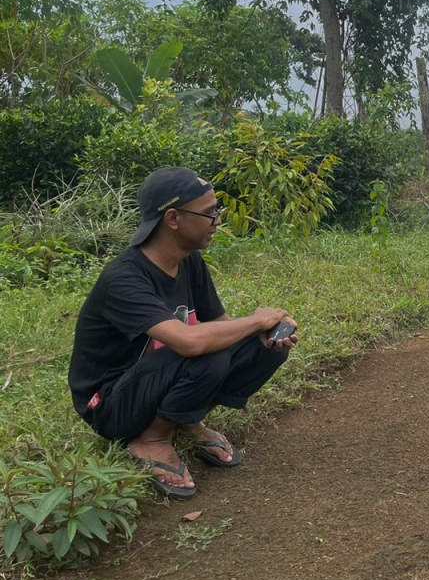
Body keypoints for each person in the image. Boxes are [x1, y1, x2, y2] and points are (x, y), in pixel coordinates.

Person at [68, 167, 299, 499]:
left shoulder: (189, 261)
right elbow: (190, 342)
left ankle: (188, 422)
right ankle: (152, 439)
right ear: (173, 218)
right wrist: (255, 320)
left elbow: (219, 323)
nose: (218, 220)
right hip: (111, 404)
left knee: (264, 346)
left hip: (156, 378)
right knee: (207, 352)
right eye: (209, 213)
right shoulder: (124, 278)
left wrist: (263, 331)